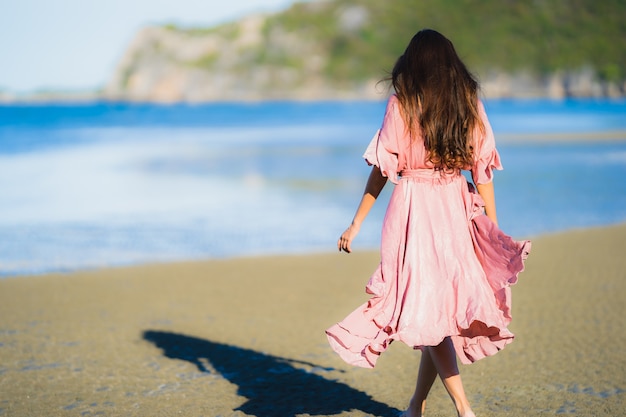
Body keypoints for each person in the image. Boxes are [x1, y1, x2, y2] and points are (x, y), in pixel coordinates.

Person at [325, 29, 531, 417]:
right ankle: (415, 408)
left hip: (415, 210)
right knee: (433, 312)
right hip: (454, 204)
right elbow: (482, 172)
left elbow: (383, 171)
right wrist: (491, 224)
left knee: (430, 309)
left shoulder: (402, 105)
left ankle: (464, 409)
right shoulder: (468, 104)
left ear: (413, 63)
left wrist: (356, 223)